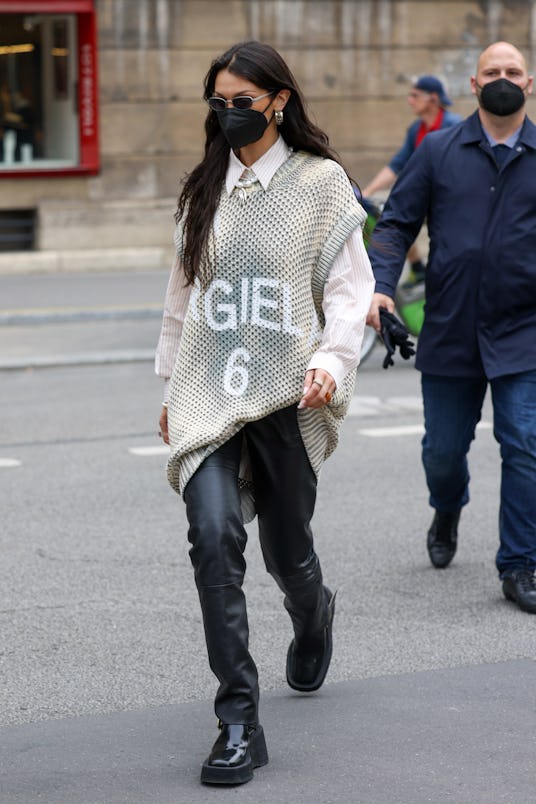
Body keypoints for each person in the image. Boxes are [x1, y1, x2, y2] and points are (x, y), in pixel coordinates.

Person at [155, 40, 374, 785]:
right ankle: (239, 719)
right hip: (208, 394)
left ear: (278, 100)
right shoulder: (203, 188)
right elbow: (184, 302)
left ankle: (314, 614)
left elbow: (350, 294)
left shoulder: (321, 184)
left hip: (286, 394)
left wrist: (329, 362)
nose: (227, 113)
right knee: (213, 538)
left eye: (241, 102)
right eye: (217, 100)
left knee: (287, 554)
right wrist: (169, 391)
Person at [367, 42, 536, 614]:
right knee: (442, 451)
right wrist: (382, 288)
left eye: (513, 72)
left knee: (525, 443)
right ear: (473, 82)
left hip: (525, 331)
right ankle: (448, 504)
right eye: (494, 72)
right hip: (450, 327)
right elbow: (394, 224)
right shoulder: (438, 150)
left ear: (529, 83)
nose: (504, 79)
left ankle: (519, 564)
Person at [362, 74, 461, 285]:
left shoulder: (455, 126)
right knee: (389, 215)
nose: (410, 101)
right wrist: (367, 194)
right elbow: (395, 166)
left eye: (415, 96)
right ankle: (417, 266)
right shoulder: (416, 129)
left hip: (451, 200)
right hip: (425, 198)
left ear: (433, 98)